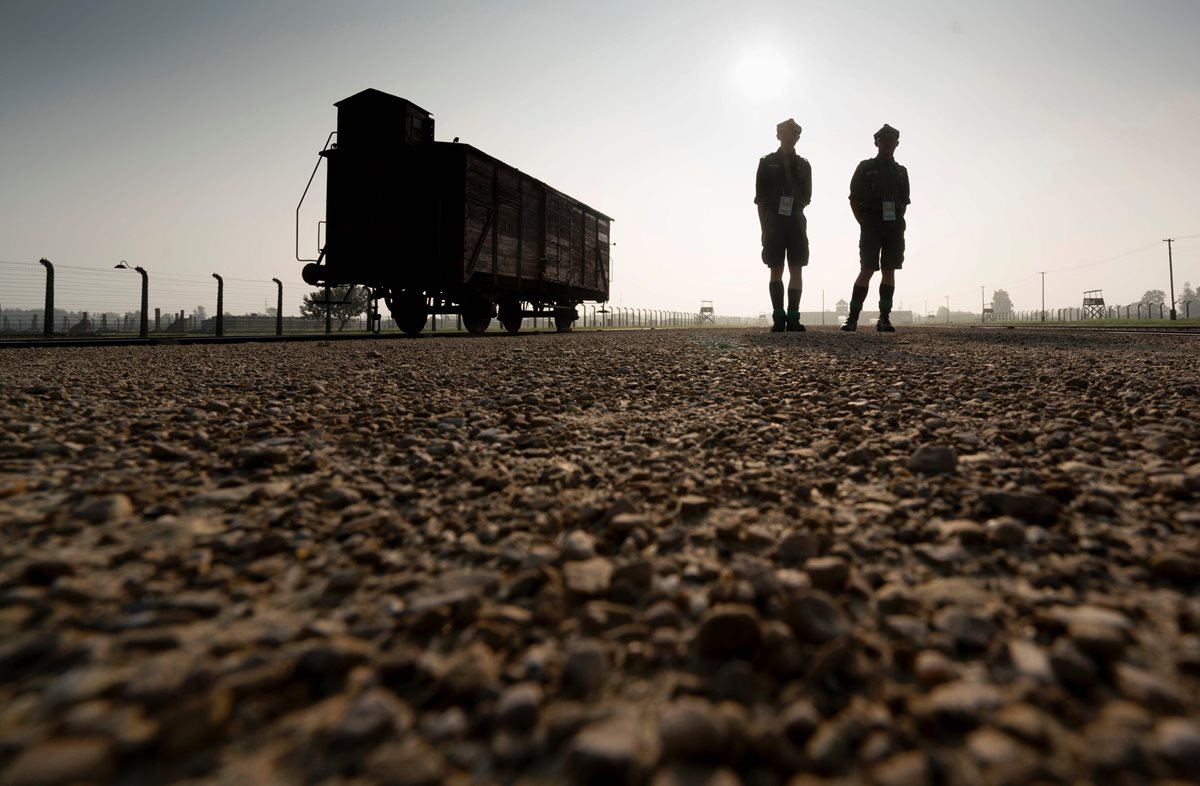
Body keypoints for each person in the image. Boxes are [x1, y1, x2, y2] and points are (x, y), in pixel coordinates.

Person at [841, 123, 910, 332]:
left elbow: (904, 202)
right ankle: (852, 318)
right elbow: (853, 199)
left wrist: (896, 222)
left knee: (889, 270)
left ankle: (884, 318)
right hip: (871, 222)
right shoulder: (865, 167)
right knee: (867, 269)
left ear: (897, 144)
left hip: (894, 225)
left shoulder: (901, 171)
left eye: (891, 141)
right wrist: (864, 223)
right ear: (876, 143)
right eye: (884, 141)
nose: (888, 144)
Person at [755, 118, 812, 332]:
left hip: (796, 220)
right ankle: (779, 317)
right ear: (778, 135)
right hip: (774, 221)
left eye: (796, 133)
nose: (792, 136)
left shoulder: (804, 165)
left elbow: (807, 196)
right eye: (787, 132)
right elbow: (760, 200)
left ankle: (794, 317)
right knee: (776, 268)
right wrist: (764, 229)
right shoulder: (766, 162)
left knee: (796, 268)